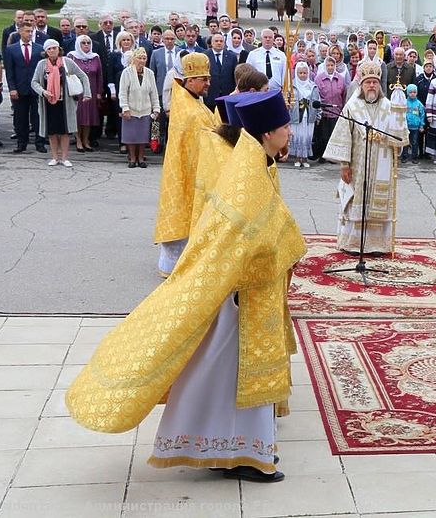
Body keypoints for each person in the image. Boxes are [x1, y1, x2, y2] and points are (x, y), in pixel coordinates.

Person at [66, 90, 306, 484]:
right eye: (284, 126)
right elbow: (249, 239)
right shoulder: (247, 178)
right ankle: (238, 453)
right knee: (223, 377)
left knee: (221, 378)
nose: (289, 132)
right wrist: (285, 250)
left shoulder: (254, 163)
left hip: (246, 295)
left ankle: (231, 451)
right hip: (239, 297)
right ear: (266, 133)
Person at [324, 60, 409, 255]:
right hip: (358, 164)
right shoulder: (352, 107)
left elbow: (401, 135)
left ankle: (377, 245)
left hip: (382, 164)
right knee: (357, 201)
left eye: (375, 82)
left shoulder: (389, 106)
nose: (371, 86)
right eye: (368, 82)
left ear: (380, 85)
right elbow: (343, 136)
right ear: (361, 84)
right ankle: (354, 244)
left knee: (377, 203)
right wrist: (344, 165)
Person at [154, 53, 217, 277]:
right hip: (191, 173)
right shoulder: (190, 111)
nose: (208, 82)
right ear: (190, 80)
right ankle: (177, 264)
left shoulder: (188, 100)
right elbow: (208, 139)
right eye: (204, 79)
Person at [31, 38, 92, 167]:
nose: (52, 50)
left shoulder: (67, 62)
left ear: (59, 49)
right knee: (52, 131)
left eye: (54, 48)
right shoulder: (42, 64)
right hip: (48, 102)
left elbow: (83, 76)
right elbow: (34, 82)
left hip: (65, 102)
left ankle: (64, 158)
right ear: (46, 51)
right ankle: (54, 157)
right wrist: (43, 92)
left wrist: (87, 93)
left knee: (65, 131)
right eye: (49, 49)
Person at [117, 47, 160, 168]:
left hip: (145, 110)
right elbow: (123, 92)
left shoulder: (150, 73)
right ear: (134, 59)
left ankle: (141, 158)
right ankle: (132, 158)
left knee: (142, 136)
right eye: (139, 58)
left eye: (144, 58)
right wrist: (125, 108)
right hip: (131, 109)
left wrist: (156, 108)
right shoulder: (127, 72)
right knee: (131, 136)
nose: (142, 60)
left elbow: (154, 93)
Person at [6, 23, 44, 153]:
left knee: (37, 116)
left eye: (31, 31)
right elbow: (10, 71)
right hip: (19, 88)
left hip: (36, 88)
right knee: (20, 117)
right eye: (27, 31)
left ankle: (40, 142)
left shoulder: (39, 49)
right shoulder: (11, 49)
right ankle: (22, 143)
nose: (30, 33)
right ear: (20, 32)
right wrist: (12, 88)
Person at [65, 34, 103, 153]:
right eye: (83, 43)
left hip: (91, 91)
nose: (86, 45)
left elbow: (99, 75)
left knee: (89, 117)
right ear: (78, 44)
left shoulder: (95, 57)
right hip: (77, 91)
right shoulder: (72, 56)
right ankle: (78, 140)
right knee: (78, 116)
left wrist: (99, 92)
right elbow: (67, 74)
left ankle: (86, 140)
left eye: (88, 43)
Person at [288, 62, 321, 168]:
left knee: (307, 136)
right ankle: (297, 158)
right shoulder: (291, 86)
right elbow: (287, 102)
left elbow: (317, 101)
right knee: (298, 135)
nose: (302, 75)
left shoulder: (313, 86)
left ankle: (305, 158)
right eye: (300, 73)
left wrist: (318, 115)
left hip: (309, 115)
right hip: (296, 115)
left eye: (305, 73)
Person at [402, 84, 426, 163]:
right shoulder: (404, 103)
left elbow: (422, 114)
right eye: (410, 92)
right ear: (407, 93)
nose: (412, 94)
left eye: (414, 92)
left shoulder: (419, 104)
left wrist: (421, 125)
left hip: (415, 127)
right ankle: (404, 156)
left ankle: (414, 157)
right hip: (406, 126)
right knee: (405, 141)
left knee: (415, 142)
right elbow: (401, 114)